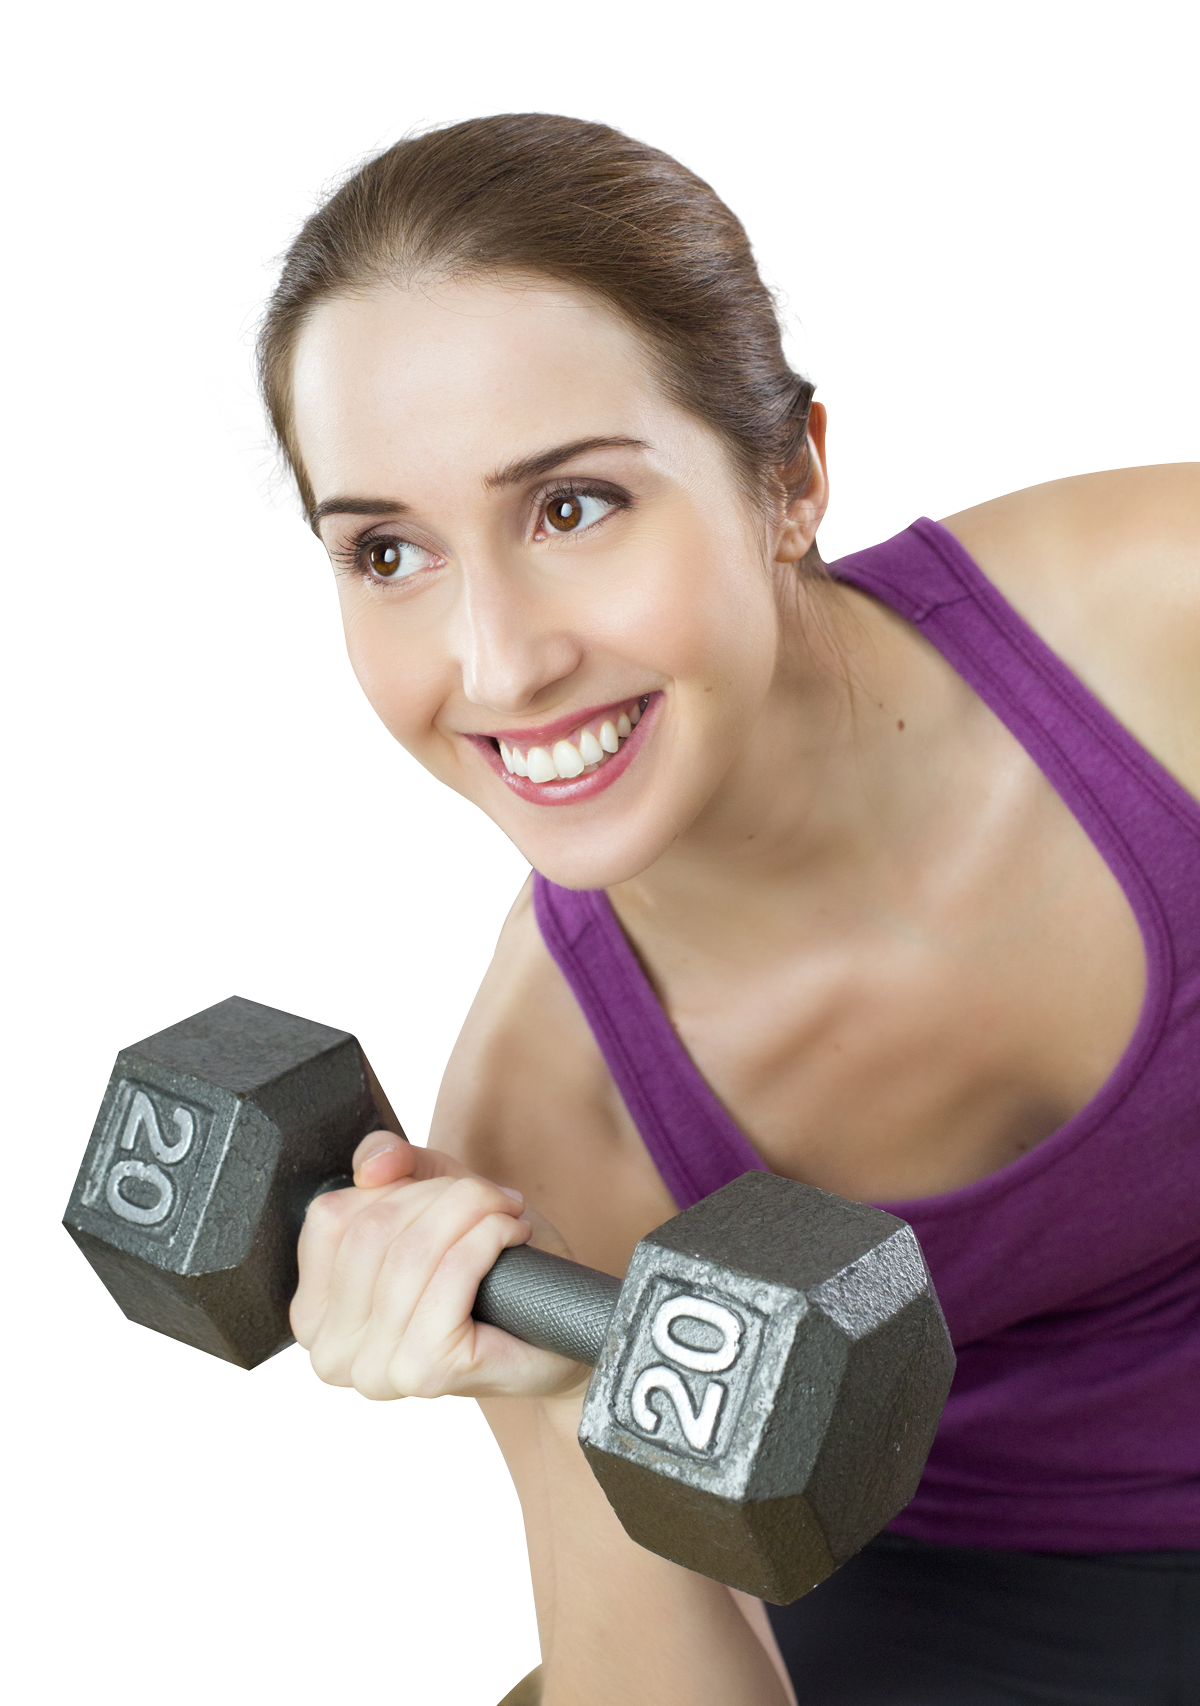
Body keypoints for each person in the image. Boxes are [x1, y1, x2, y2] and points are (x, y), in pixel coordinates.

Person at [214, 110, 1200, 1704]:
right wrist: (540, 1383)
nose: (500, 663)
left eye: (574, 507)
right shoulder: (544, 1117)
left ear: (791, 474)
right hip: (950, 1625)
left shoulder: (1167, 628)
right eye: (387, 550)